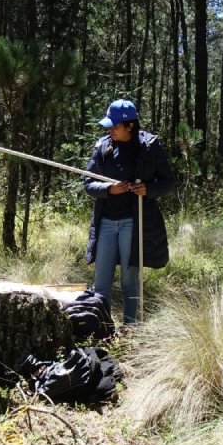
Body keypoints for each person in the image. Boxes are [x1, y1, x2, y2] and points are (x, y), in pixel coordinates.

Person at [83, 99, 175, 327]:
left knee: (129, 279)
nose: (109, 130)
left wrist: (149, 189)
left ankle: (130, 328)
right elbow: (88, 183)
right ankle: (100, 328)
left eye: (114, 126)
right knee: (101, 280)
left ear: (130, 126)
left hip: (134, 223)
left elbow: (169, 181)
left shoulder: (149, 146)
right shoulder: (102, 147)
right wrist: (108, 189)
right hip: (105, 221)